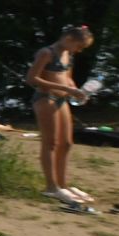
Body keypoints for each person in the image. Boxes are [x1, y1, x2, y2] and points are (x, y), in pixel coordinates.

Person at [29, 24, 96, 210]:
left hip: (62, 100)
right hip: (45, 99)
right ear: (69, 39)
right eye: (79, 46)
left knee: (66, 143)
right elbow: (32, 78)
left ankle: (63, 185)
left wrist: (76, 91)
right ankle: (51, 186)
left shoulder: (69, 54)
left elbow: (67, 77)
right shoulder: (46, 53)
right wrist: (65, 89)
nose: (80, 50)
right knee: (50, 143)